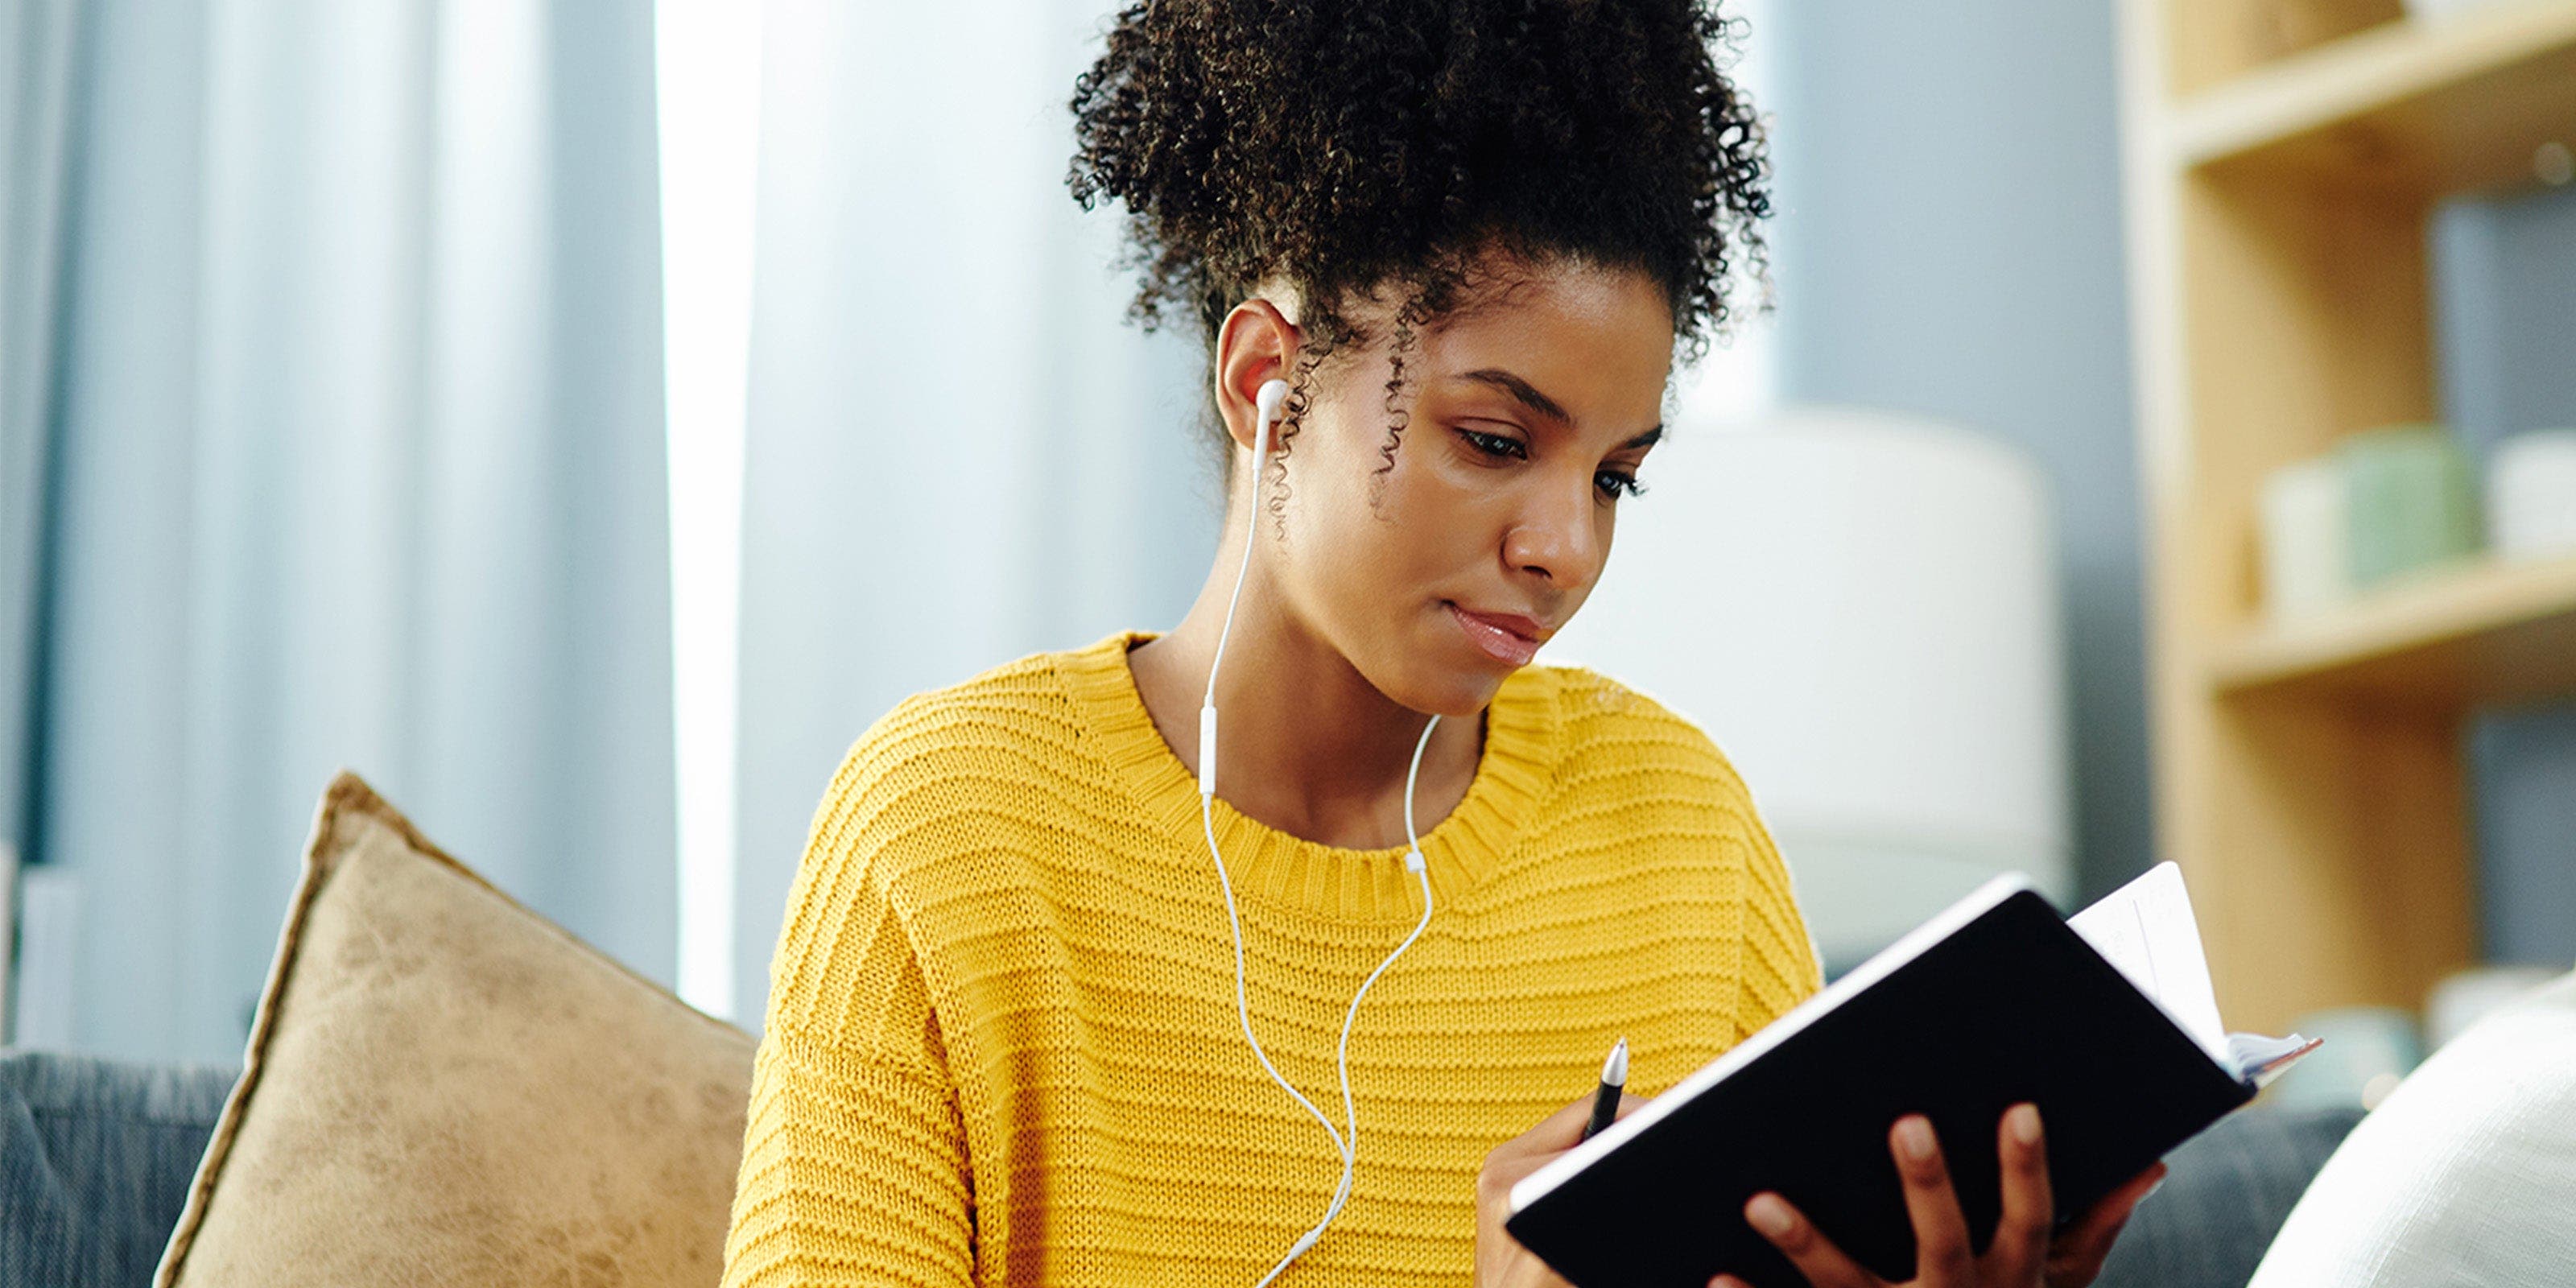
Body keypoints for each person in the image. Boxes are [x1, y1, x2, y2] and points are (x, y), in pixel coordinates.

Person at [716, 2, 2161, 1286]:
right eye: (1493, 439)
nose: (1567, 549)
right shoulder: (950, 834)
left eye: (1615, 477)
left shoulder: (1681, 838)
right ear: (1268, 381)